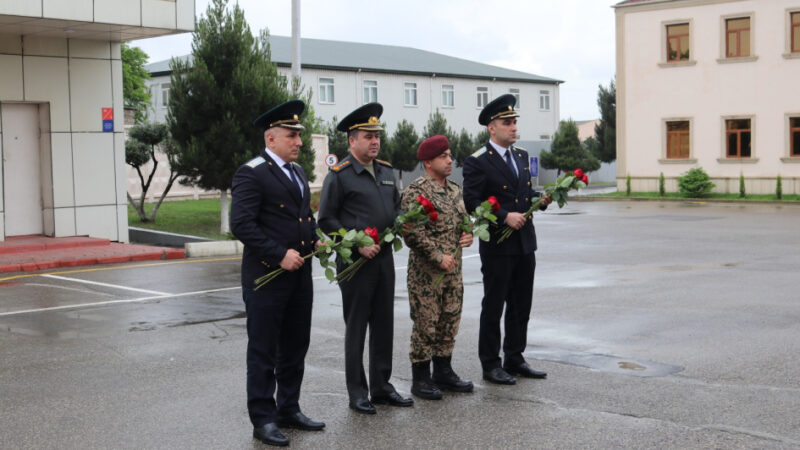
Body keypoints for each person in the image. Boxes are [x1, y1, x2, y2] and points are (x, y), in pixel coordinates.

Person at [230, 100, 324, 447]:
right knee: (264, 349)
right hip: (267, 276)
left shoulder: (297, 172)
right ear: (271, 139)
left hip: (299, 274)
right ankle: (263, 418)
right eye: (292, 135)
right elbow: (240, 224)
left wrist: (317, 240)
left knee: (296, 345)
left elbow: (302, 218)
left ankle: (289, 408)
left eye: (299, 135)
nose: (299, 141)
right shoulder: (251, 172)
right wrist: (278, 254)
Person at [318, 102, 414, 414]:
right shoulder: (340, 175)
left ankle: (382, 386)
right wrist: (356, 243)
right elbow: (326, 221)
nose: (374, 141)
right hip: (356, 263)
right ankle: (357, 392)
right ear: (351, 140)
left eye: (377, 136)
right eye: (367, 136)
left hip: (384, 259)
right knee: (357, 327)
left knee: (384, 324)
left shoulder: (386, 170)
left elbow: (395, 207)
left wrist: (401, 220)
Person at [462, 94, 552, 386]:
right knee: (495, 303)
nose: (513, 127)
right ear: (492, 128)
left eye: (514, 122)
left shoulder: (522, 156)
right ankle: (491, 363)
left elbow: (522, 195)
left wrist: (541, 200)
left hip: (524, 241)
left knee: (521, 303)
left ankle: (515, 356)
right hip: (499, 244)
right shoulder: (477, 161)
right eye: (507, 123)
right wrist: (503, 216)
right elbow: (472, 201)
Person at [401, 135, 475, 400]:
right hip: (427, 274)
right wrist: (437, 255)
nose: (449, 160)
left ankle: (443, 371)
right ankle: (420, 378)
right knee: (426, 323)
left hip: (453, 272)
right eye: (443, 156)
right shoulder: (416, 191)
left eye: (450, 155)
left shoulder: (455, 189)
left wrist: (468, 235)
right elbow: (411, 232)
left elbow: (464, 222)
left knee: (449, 319)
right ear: (428, 162)